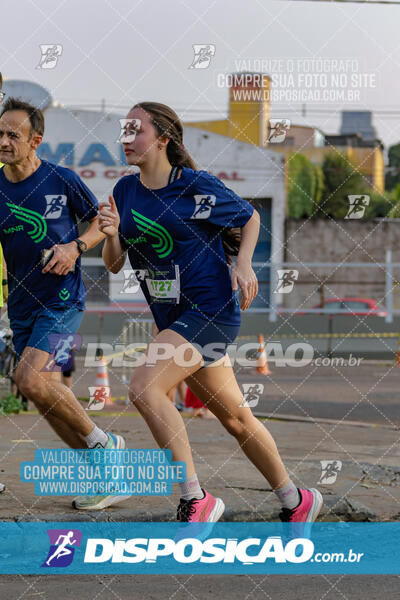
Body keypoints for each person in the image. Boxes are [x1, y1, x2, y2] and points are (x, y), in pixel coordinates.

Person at [99, 101, 323, 525]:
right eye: (124, 130)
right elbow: (113, 263)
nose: (127, 139)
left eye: (136, 130)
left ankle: (195, 498)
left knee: (144, 387)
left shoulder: (195, 185)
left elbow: (250, 215)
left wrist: (242, 264)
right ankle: (296, 500)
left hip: (210, 311)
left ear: (163, 138)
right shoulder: (125, 192)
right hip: (175, 320)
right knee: (237, 419)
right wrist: (110, 235)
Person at [0, 96, 127, 510]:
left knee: (30, 380)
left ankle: (106, 447)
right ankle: (105, 472)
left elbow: (100, 222)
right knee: (44, 392)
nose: (2, 141)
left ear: (35, 140)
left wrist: (75, 247)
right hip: (19, 305)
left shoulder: (62, 179)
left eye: (12, 134)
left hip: (61, 302)